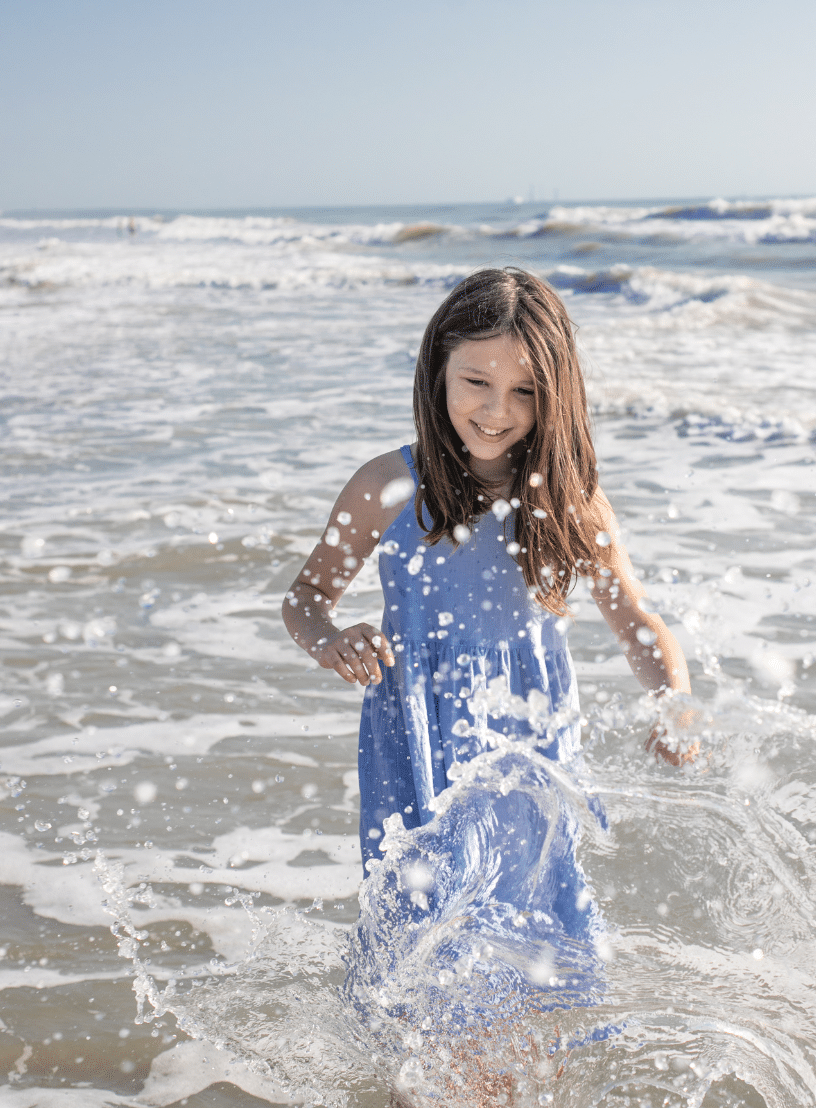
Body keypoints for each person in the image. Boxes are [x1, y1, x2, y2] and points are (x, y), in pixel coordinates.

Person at [282, 265, 696, 878]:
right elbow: (308, 595)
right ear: (437, 372)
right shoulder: (388, 486)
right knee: (418, 926)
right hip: (414, 736)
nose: (496, 411)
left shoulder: (569, 500)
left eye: (525, 392)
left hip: (532, 737)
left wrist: (675, 704)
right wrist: (330, 640)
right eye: (476, 381)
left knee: (537, 932)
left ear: (555, 394)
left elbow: (635, 618)